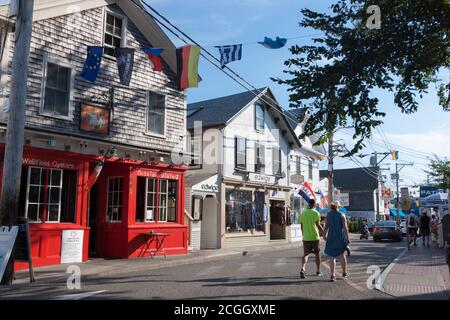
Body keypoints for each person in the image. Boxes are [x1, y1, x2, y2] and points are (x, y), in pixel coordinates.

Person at [323, 201, 350, 282]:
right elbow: (345, 228)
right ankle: (344, 272)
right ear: (338, 206)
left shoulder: (328, 215)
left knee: (332, 257)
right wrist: (347, 238)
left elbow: (326, 226)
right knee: (342, 254)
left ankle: (332, 275)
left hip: (331, 237)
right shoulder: (342, 215)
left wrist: (324, 235)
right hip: (340, 237)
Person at [299, 198, 324, 279]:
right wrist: (324, 232)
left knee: (306, 254)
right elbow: (318, 225)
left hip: (306, 237)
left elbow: (301, 225)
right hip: (314, 237)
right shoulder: (316, 213)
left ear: (308, 204)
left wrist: (303, 234)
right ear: (314, 204)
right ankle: (318, 271)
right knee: (317, 254)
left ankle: (303, 268)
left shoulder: (303, 213)